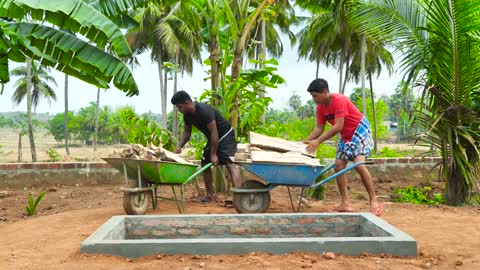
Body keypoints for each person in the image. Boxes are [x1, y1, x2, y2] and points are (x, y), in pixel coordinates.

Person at [304, 78, 383, 216]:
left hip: (359, 130)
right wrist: (306, 141)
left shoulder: (339, 100)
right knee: (338, 165)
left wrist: (318, 142)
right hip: (346, 135)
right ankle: (345, 203)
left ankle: (373, 201)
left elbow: (338, 126)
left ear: (324, 92)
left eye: (315, 96)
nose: (314, 99)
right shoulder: (320, 108)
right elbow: (319, 128)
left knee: (359, 165)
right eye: (312, 96)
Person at [171, 91, 242, 202]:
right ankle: (210, 196)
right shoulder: (187, 116)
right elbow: (187, 133)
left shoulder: (204, 110)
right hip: (213, 138)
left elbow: (214, 131)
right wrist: (179, 146)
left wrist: (213, 155)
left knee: (229, 163)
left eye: (179, 107)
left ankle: (239, 198)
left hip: (225, 135)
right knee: (205, 162)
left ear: (186, 102)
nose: (179, 110)